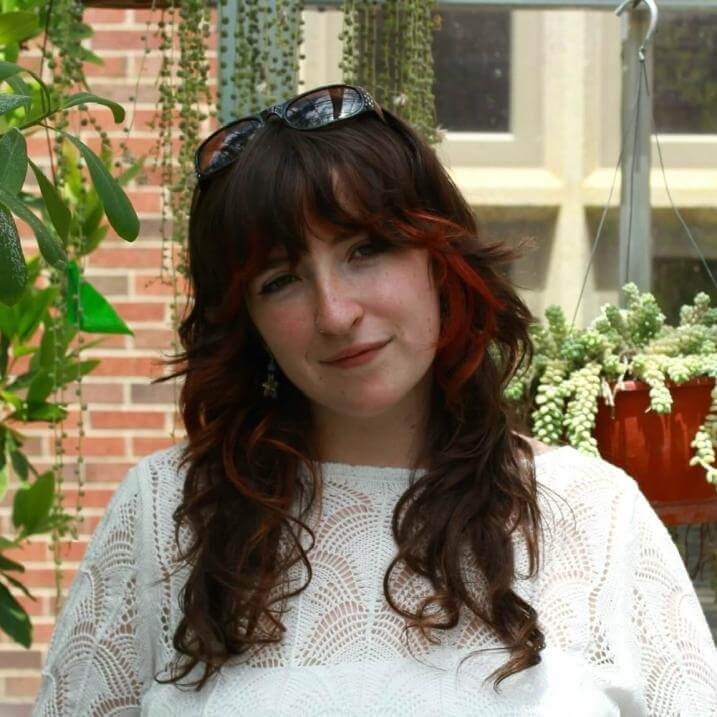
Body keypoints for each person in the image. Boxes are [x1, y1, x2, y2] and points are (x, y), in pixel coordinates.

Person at [33, 84, 717, 716]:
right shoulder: (169, 512)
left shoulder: (593, 515)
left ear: (438, 258)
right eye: (279, 280)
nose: (334, 312)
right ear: (246, 320)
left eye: (365, 249)